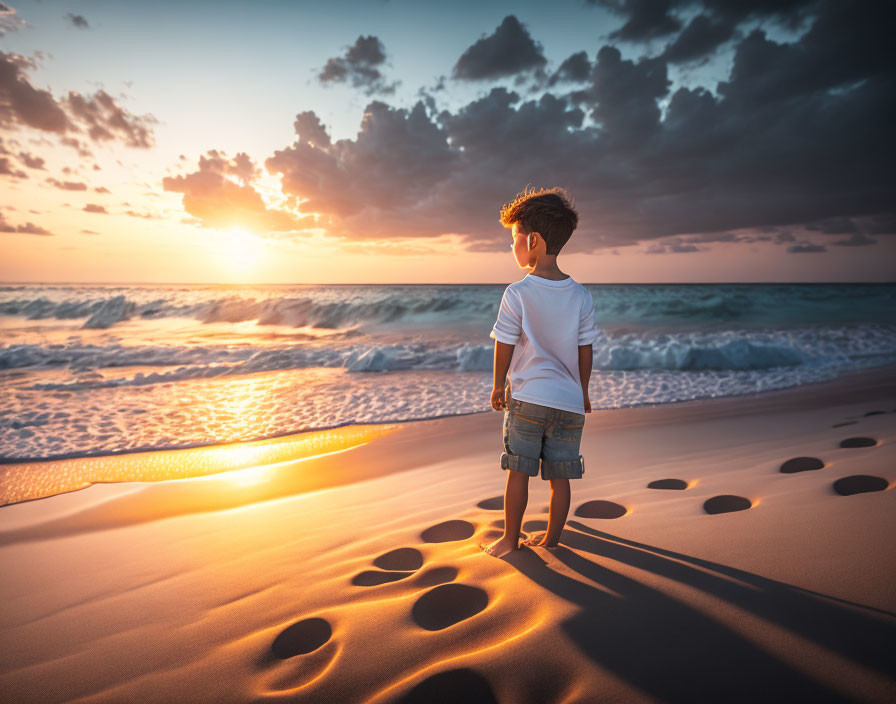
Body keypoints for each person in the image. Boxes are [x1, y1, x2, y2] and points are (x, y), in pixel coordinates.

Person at [479, 186, 597, 559]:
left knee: (519, 471)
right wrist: (583, 392)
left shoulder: (517, 292)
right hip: (568, 403)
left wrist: (499, 385)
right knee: (560, 475)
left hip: (528, 399)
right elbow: (585, 349)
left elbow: (505, 342)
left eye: (514, 239)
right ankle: (551, 539)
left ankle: (510, 541)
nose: (512, 247)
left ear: (533, 242)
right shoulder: (580, 295)